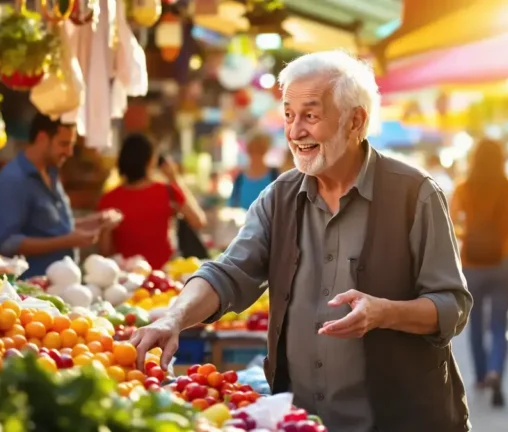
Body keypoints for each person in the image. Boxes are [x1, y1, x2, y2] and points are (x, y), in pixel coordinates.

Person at [130, 50, 472, 432]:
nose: (294, 132)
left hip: (400, 420)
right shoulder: (280, 198)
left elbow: (452, 304)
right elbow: (228, 272)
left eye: (310, 115)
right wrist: (174, 319)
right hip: (301, 422)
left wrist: (385, 312)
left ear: (355, 121)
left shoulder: (416, 194)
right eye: (289, 115)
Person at [449, 138, 508, 408]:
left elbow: (450, 220)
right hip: (504, 259)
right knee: (499, 324)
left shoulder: (464, 188)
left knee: (474, 321)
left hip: (472, 261)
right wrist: (506, 235)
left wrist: (468, 233)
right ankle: (497, 370)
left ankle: (482, 375)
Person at [0, 113, 107, 278]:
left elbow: (53, 228)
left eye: (71, 145)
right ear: (42, 138)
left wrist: (94, 221)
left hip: (62, 287)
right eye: (64, 144)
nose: (69, 152)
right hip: (33, 290)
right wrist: (68, 241)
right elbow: (9, 243)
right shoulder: (14, 179)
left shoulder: (51, 172)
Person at [97, 134, 206, 269]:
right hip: (165, 275)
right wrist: (175, 179)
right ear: (151, 161)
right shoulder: (168, 191)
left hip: (125, 277)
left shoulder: (109, 199)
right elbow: (198, 221)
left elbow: (104, 250)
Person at [228, 132, 280, 210]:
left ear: (265, 150)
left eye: (259, 150)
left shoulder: (275, 175)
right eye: (252, 149)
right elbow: (232, 205)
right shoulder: (240, 178)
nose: (255, 154)